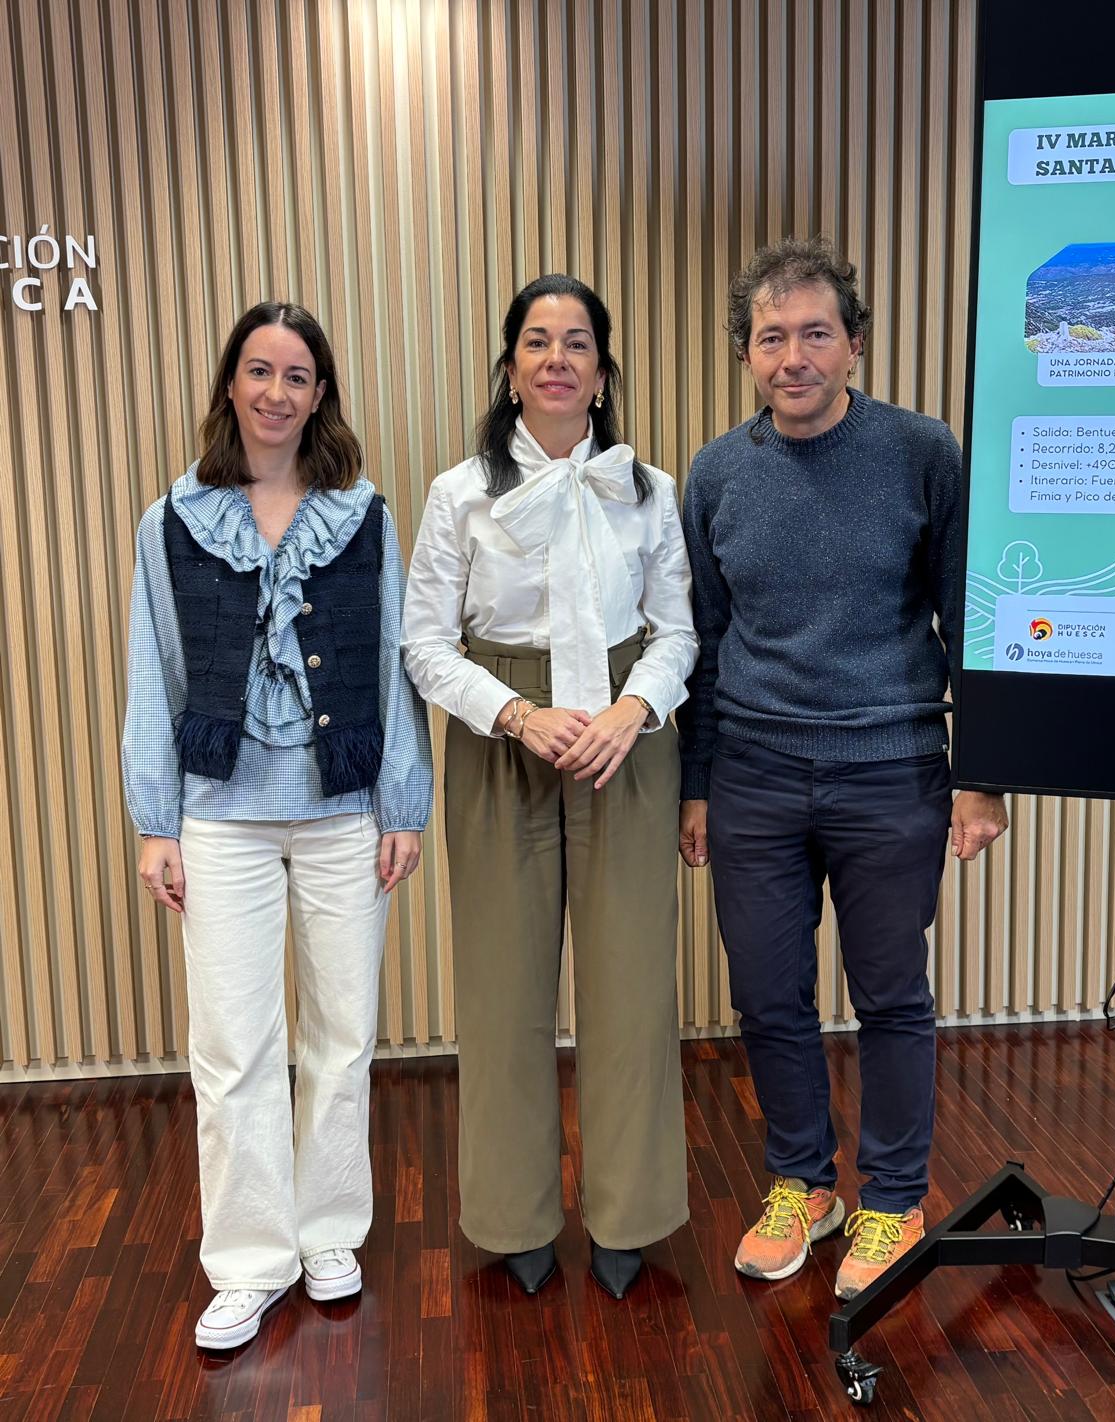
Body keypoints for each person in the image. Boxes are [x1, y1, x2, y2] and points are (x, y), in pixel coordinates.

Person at [676, 237, 1010, 1301]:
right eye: (771, 337)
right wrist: (697, 782)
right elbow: (703, 635)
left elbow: (969, 611)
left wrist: (983, 770)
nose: (794, 356)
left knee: (890, 999)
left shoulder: (921, 452)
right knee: (768, 998)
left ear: (853, 346)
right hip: (755, 778)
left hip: (892, 769)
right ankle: (802, 1186)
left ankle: (894, 1201)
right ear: (746, 356)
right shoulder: (717, 473)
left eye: (816, 333)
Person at [121, 301, 433, 1351]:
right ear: (229, 386)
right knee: (232, 1047)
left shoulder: (364, 515)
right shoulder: (171, 520)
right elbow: (153, 676)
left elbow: (395, 664)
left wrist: (401, 803)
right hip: (220, 818)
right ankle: (249, 1261)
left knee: (343, 1036)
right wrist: (156, 821)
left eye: (297, 375)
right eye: (258, 371)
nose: (275, 392)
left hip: (344, 813)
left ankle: (329, 1231)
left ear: (319, 396)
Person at [402, 275, 696, 1301]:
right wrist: (517, 715)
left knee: (630, 995)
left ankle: (629, 1220)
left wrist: (633, 708)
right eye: (537, 340)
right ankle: (514, 1221)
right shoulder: (457, 495)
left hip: (627, 743)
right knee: (499, 996)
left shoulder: (649, 490)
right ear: (511, 365)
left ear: (603, 371)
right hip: (501, 743)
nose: (558, 358)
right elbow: (425, 645)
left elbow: (680, 630)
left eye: (577, 342)